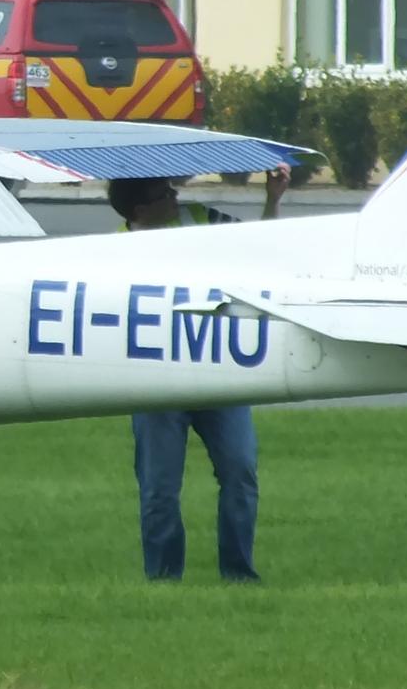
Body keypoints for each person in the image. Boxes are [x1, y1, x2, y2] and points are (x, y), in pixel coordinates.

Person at [108, 167, 289, 581]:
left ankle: (239, 573)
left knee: (241, 473)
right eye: (161, 191)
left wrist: (273, 200)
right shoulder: (112, 252)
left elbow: (261, 251)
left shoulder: (202, 220)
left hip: (218, 375)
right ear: (139, 209)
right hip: (156, 385)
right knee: (159, 490)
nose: (173, 195)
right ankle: (164, 579)